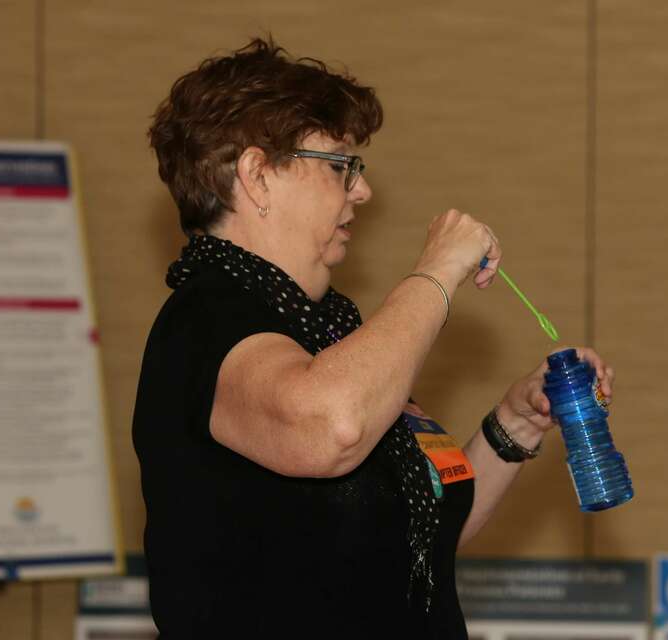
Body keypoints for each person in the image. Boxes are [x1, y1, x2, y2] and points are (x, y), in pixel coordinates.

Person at [132, 37, 616, 639]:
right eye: (340, 166)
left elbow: (414, 538)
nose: (361, 191)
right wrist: (437, 271)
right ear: (257, 177)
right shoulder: (205, 318)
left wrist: (516, 424)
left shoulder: (327, 326)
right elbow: (331, 428)